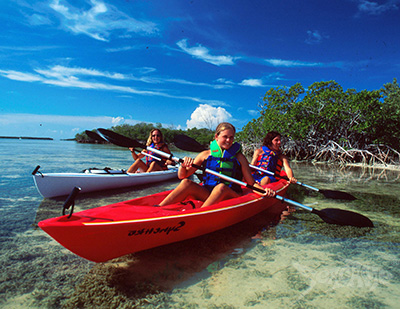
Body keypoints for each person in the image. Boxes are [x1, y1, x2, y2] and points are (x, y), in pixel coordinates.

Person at [159, 122, 275, 208]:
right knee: (186, 183)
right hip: (209, 193)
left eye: (231, 137)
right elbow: (182, 176)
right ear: (216, 137)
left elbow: (251, 183)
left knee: (220, 188)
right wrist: (183, 165)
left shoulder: (239, 157)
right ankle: (158, 208)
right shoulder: (205, 155)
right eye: (225, 137)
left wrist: (265, 191)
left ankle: (199, 214)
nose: (228, 140)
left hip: (230, 194)